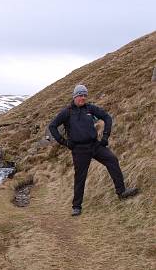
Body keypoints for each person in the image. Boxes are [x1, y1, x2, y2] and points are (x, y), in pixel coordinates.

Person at [49, 84, 138, 216]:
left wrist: (105, 136)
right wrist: (64, 142)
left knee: (112, 160)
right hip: (79, 149)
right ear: (74, 96)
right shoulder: (67, 112)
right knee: (80, 177)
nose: (83, 98)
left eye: (85, 95)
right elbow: (52, 126)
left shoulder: (90, 108)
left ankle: (121, 192)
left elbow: (107, 117)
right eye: (80, 95)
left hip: (95, 145)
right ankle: (76, 206)